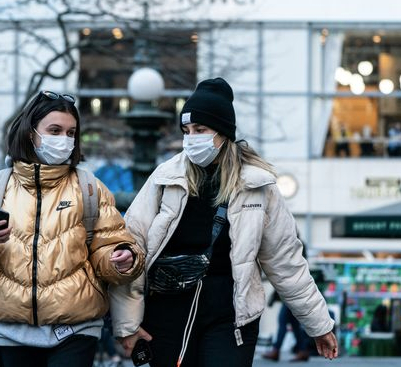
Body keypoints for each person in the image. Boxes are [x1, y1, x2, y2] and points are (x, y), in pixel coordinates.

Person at [110, 78, 338, 367]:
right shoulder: (165, 177)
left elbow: (286, 263)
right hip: (166, 313)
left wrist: (319, 324)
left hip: (231, 317)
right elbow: (132, 245)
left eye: (200, 130)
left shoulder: (258, 185)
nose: (191, 138)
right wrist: (127, 325)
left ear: (223, 133)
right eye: (187, 131)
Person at [0, 90, 145, 367]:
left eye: (70, 132)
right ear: (31, 133)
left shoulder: (89, 188)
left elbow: (110, 247)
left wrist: (122, 259)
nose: (64, 139)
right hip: (11, 331)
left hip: (76, 329)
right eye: (55, 130)